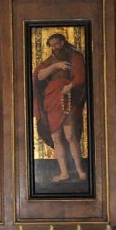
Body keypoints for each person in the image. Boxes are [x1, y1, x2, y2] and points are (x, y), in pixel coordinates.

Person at [33, 33, 87, 183]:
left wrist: (69, 86)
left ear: (63, 42)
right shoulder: (51, 60)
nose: (55, 48)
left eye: (57, 44)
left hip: (67, 97)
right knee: (56, 137)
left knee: (70, 136)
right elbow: (39, 75)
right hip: (51, 99)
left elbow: (81, 77)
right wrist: (55, 66)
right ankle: (64, 173)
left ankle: (79, 170)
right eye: (52, 45)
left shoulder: (74, 56)